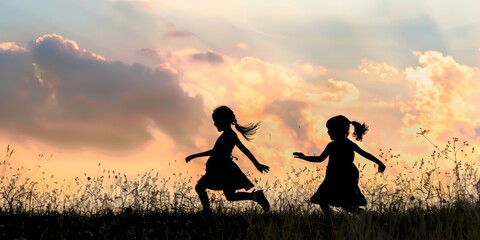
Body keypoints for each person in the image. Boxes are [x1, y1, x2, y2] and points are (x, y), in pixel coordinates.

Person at [186, 106, 270, 216]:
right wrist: (194, 156)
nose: (215, 124)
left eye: (216, 121)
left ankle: (207, 212)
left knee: (200, 187)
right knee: (230, 196)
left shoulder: (230, 135)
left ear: (224, 120)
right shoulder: (226, 134)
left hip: (222, 170)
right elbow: (216, 151)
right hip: (222, 169)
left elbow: (244, 150)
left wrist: (257, 164)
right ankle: (256, 196)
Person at [293, 115, 386, 214]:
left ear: (338, 130)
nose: (328, 132)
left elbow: (365, 154)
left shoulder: (338, 145)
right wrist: (304, 157)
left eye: (330, 129)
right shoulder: (336, 145)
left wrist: (379, 163)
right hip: (336, 176)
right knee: (330, 201)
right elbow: (320, 159)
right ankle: (334, 219)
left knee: (333, 202)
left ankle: (364, 217)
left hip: (344, 176)